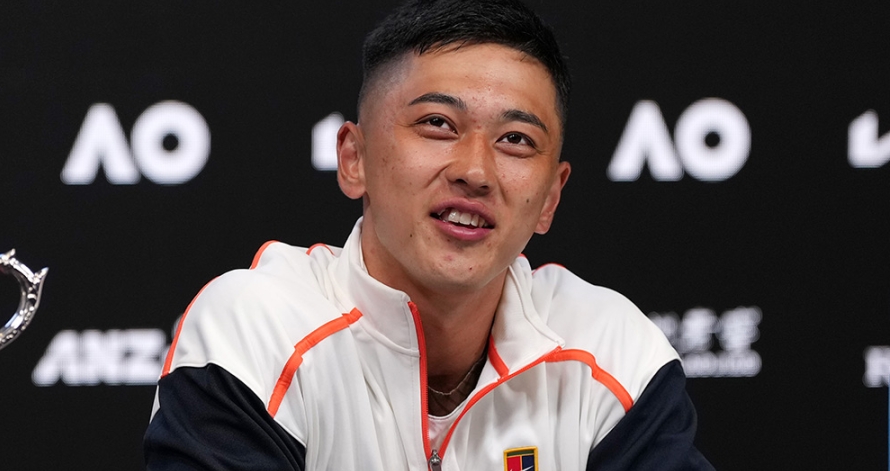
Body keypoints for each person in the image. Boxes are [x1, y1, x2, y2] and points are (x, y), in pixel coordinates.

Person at [143, 0, 714, 469]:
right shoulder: (258, 329)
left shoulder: (610, 349)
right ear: (354, 159)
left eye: (516, 140)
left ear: (550, 199)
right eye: (438, 124)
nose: (476, 171)